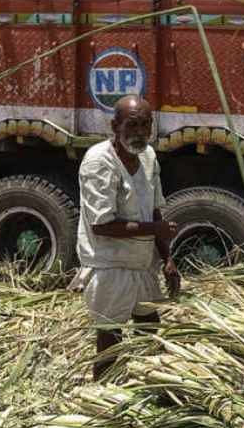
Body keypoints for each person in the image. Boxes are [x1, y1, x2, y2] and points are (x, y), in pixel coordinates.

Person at [72, 95, 181, 380]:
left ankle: (153, 386)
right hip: (110, 265)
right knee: (110, 340)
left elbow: (155, 210)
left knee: (151, 330)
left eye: (146, 125)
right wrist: (155, 231)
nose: (140, 133)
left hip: (142, 262)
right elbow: (102, 225)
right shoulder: (99, 162)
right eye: (132, 125)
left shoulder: (148, 156)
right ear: (114, 125)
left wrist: (168, 258)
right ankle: (104, 397)